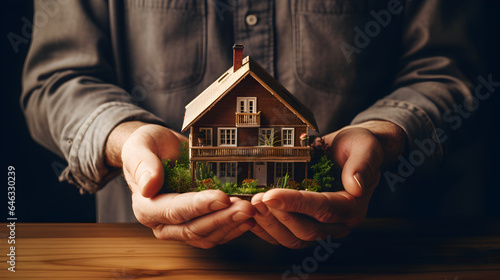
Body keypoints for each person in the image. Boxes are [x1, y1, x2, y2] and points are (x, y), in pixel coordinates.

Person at [21, 0, 480, 249]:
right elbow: (56, 79)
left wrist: (383, 133)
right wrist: (123, 139)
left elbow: (448, 65)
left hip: (370, 253)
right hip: (152, 259)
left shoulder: (286, 139)